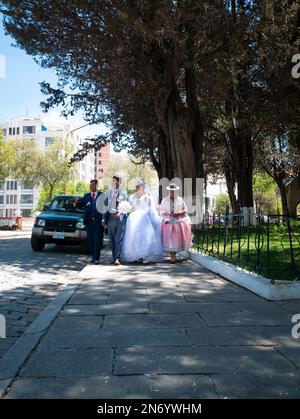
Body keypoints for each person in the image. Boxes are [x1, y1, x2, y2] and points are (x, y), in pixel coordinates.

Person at [121, 179, 163, 263]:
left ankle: (143, 255)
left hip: (143, 219)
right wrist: (125, 208)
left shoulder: (147, 196)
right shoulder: (131, 197)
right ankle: (135, 255)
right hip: (133, 219)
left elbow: (151, 208)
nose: (137, 188)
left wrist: (149, 215)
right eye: (136, 187)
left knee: (143, 237)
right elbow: (131, 208)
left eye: (138, 186)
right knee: (133, 238)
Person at [160, 183, 192, 263]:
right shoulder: (165, 200)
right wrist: (168, 214)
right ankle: (172, 255)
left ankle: (174, 254)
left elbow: (185, 211)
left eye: (174, 191)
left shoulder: (180, 200)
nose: (172, 193)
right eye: (171, 191)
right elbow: (161, 211)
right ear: (169, 191)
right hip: (168, 221)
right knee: (170, 239)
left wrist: (178, 213)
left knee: (176, 239)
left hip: (177, 221)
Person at [103, 176, 128, 266]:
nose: (113, 183)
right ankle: (114, 258)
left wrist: (120, 213)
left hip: (119, 219)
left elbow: (126, 205)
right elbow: (104, 206)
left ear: (118, 183)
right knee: (112, 240)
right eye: (112, 181)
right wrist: (103, 219)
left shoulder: (124, 193)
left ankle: (117, 258)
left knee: (118, 239)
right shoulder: (108, 193)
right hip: (110, 219)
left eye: (115, 181)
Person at [80, 179, 104, 264]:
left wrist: (104, 220)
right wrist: (75, 202)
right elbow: (80, 204)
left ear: (96, 186)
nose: (91, 186)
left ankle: (96, 258)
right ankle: (93, 256)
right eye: (90, 185)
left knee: (97, 240)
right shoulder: (86, 196)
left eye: (93, 185)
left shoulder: (102, 195)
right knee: (90, 241)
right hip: (89, 222)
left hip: (98, 223)